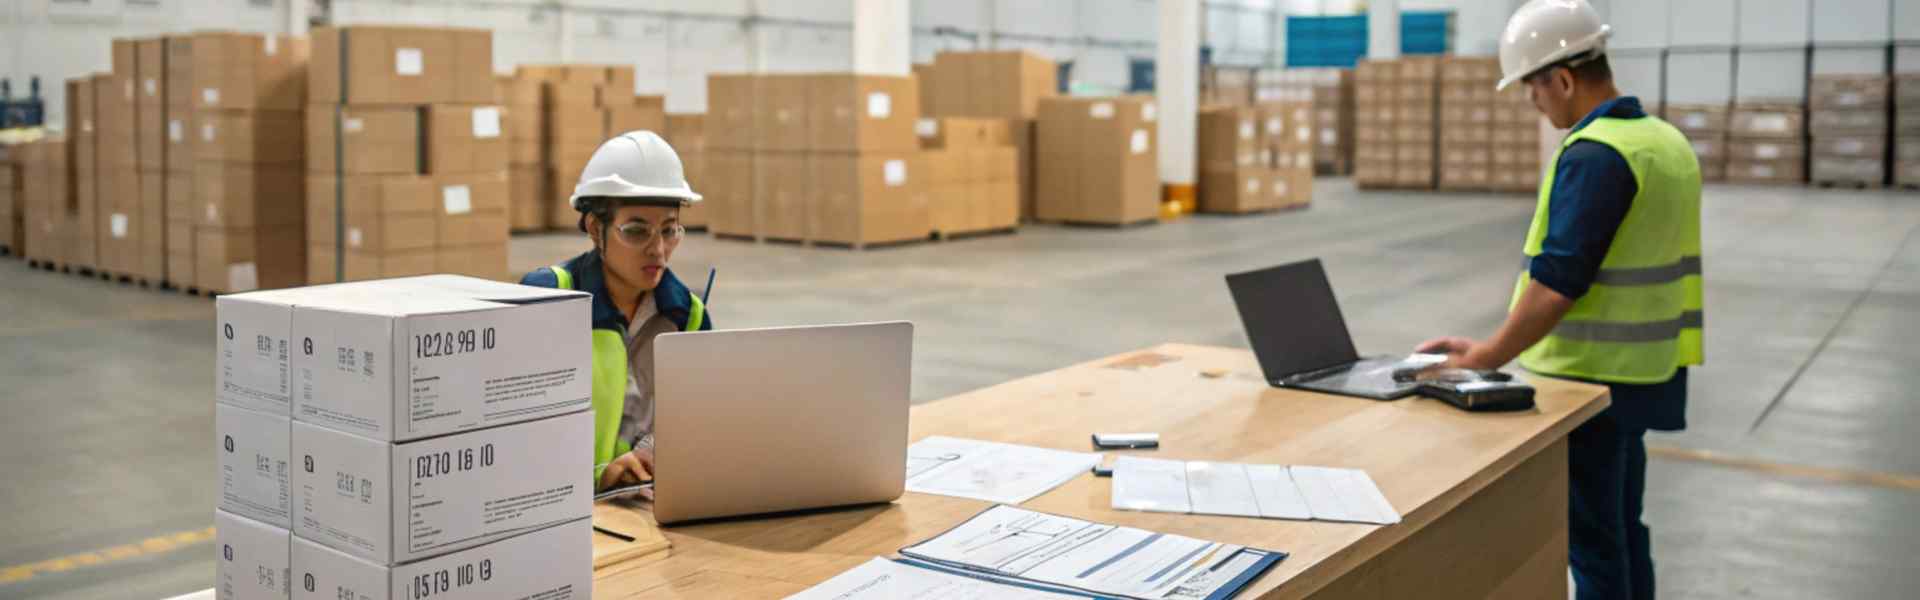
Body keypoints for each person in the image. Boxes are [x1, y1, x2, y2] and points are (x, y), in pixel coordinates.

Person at [1415, 1, 1702, 598]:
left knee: (1592, 545)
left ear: (1563, 79)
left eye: (1532, 87)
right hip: (1642, 375)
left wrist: (1483, 358)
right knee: (1623, 528)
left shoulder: (1597, 154)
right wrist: (1488, 346)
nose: (1532, 102)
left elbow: (1557, 284)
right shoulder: (1663, 141)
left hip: (1586, 385)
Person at [520, 130, 713, 492]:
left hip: (652, 502)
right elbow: (514, 439)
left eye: (669, 231)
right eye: (637, 231)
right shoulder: (549, 298)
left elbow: (695, 420)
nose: (658, 249)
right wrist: (598, 480)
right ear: (596, 228)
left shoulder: (688, 316)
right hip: (566, 512)